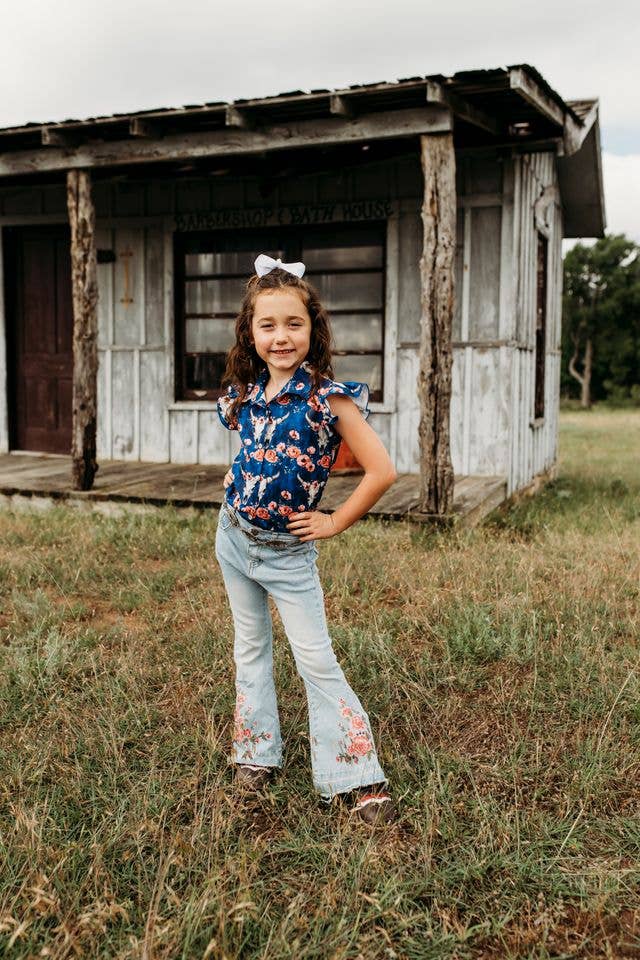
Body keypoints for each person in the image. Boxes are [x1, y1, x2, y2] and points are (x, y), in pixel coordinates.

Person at [214, 253, 398, 825]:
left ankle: (356, 776)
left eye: (294, 323)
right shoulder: (244, 393)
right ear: (250, 332)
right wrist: (240, 484)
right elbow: (254, 448)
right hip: (234, 540)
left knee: (315, 660)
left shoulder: (328, 398)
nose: (281, 337)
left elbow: (382, 471)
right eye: (267, 325)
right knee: (250, 648)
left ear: (313, 328)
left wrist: (334, 521)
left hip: (288, 555)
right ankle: (255, 754)